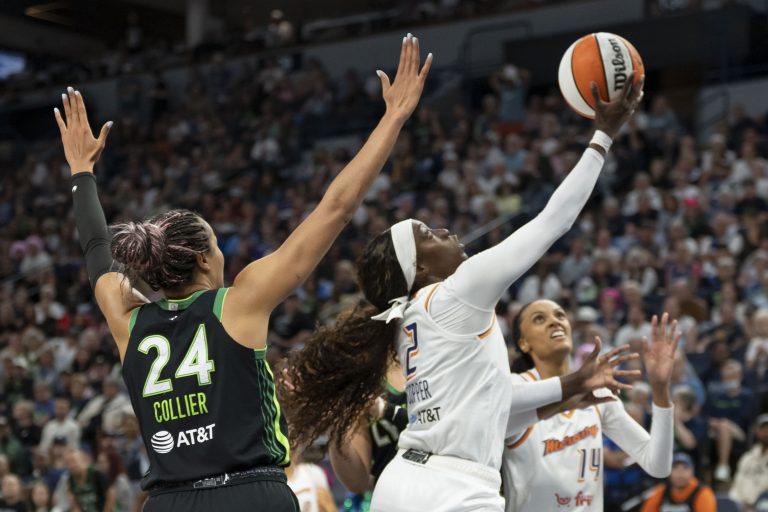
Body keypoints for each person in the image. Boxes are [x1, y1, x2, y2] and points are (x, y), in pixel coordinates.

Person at [53, 33, 433, 512]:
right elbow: (336, 208)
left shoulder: (126, 320)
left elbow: (94, 247)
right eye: (217, 244)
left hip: (168, 501)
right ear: (203, 260)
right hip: (249, 493)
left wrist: (81, 171)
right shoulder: (239, 302)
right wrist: (393, 118)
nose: (224, 254)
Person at [284, 75, 645, 511]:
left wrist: (572, 383)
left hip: (402, 484)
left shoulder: (407, 319)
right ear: (419, 269)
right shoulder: (457, 293)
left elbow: (493, 399)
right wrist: (602, 137)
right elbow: (554, 221)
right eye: (427, 234)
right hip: (455, 487)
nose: (443, 230)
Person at [503, 304, 676, 511]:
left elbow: (658, 465)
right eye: (539, 319)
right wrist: (577, 383)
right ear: (523, 343)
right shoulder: (514, 388)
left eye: (560, 315)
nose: (555, 321)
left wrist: (659, 389)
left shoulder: (597, 394)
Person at [641, 453, 716, 512]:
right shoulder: (660, 492)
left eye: (685, 468)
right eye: (675, 468)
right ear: (669, 472)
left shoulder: (702, 493)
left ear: (692, 471)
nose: (680, 473)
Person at [730, 414, 768, 509]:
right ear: (757, 431)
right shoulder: (747, 458)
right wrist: (737, 504)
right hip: (741, 506)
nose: (766, 432)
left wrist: (755, 505)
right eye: (763, 428)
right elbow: (736, 486)